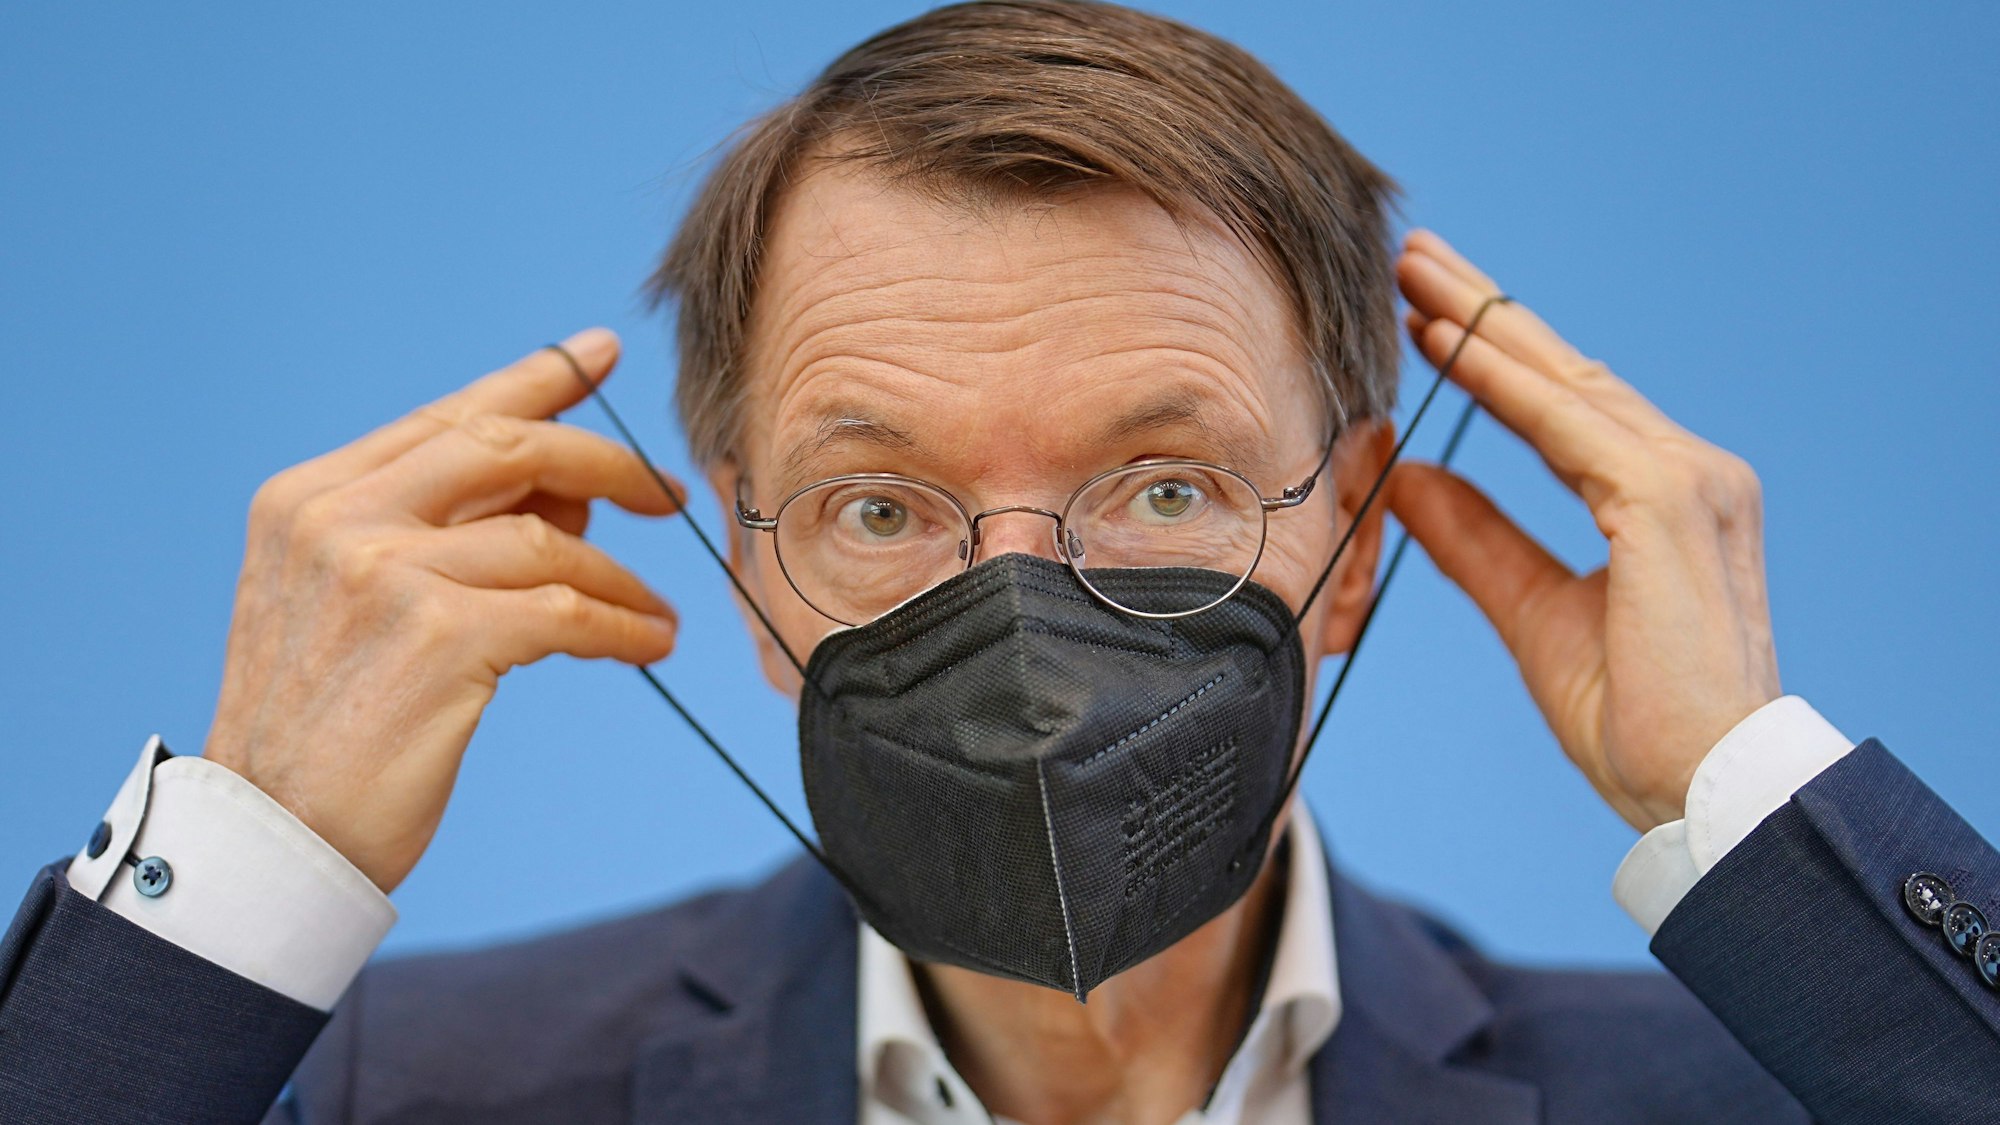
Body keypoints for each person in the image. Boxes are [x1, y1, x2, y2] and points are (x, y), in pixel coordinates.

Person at [3, 2, 1995, 1122]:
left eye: (1161, 485)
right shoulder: (399, 1092)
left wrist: (1740, 788)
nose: (1028, 633)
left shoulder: (1758, 1088)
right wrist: (244, 868)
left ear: (1357, 542)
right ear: (751, 565)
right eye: (883, 506)